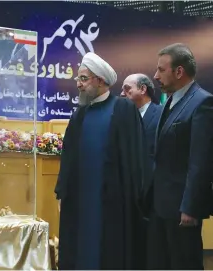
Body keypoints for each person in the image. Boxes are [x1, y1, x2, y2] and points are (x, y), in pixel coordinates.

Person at [55, 52, 149, 270]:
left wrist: (135, 196)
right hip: (80, 198)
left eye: (83, 78)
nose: (78, 84)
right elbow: (68, 156)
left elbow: (135, 157)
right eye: (78, 79)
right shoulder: (79, 114)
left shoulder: (123, 109)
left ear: (100, 80)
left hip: (114, 201)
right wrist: (62, 191)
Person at [144, 43, 213, 270]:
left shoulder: (202, 102)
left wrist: (190, 207)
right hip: (160, 205)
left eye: (161, 70)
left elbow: (200, 162)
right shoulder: (171, 100)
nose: (155, 76)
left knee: (184, 264)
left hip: (182, 210)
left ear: (179, 71)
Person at [121, 73, 162, 163]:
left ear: (143, 89)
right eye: (122, 90)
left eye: (127, 88)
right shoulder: (122, 117)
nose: (122, 94)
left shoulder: (162, 114)